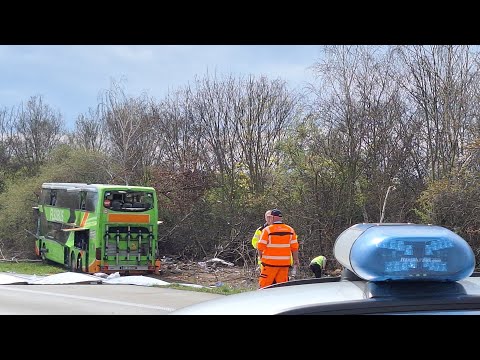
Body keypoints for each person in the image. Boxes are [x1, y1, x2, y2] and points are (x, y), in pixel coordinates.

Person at [257, 208, 300, 288]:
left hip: (269, 265)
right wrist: (296, 259)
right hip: (284, 265)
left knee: (264, 288)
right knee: (282, 289)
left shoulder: (267, 230)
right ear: (281, 218)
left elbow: (260, 247)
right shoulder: (290, 230)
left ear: (272, 218)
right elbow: (295, 247)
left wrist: (261, 257)